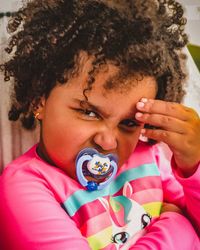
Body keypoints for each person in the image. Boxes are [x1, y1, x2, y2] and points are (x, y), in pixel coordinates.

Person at [0, 0, 200, 249]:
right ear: (38, 100)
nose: (107, 142)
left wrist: (193, 169)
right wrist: (176, 223)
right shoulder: (23, 189)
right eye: (90, 113)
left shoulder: (151, 159)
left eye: (128, 122)